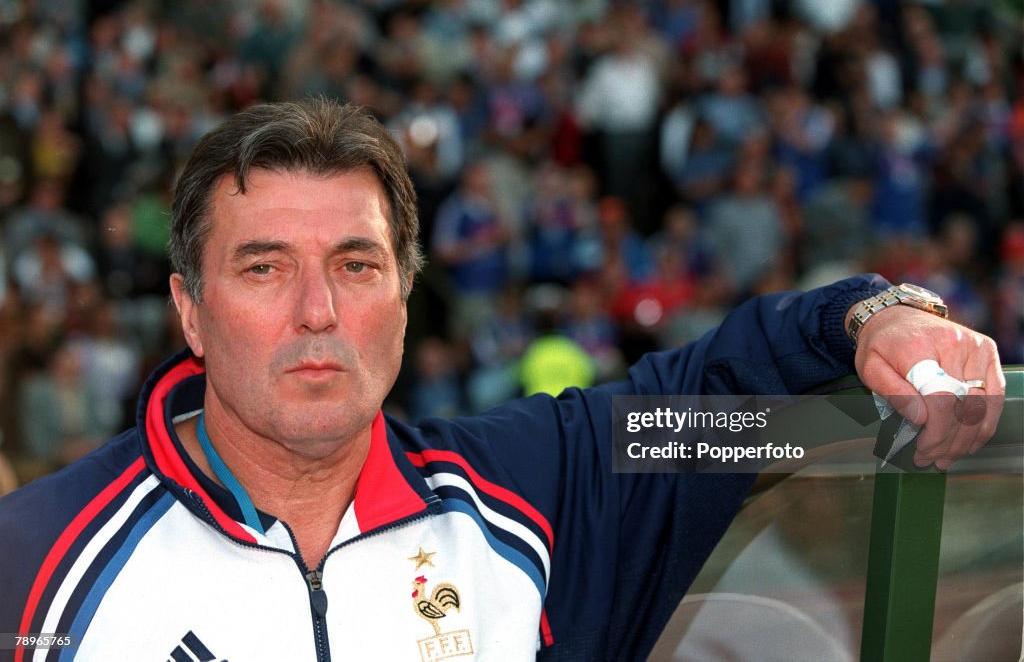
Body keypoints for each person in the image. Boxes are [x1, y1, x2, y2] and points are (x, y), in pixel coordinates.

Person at [0, 99, 1004, 661]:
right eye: (264, 268)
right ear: (189, 311)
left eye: (357, 266)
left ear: (403, 298)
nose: (318, 311)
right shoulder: (34, 561)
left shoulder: (543, 487)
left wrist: (872, 315)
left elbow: (722, 408)